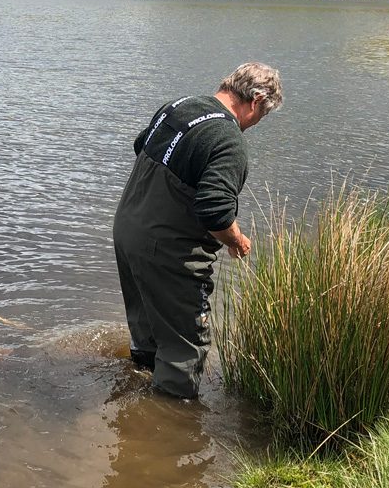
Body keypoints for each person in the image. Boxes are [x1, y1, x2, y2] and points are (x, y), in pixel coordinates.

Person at [112, 62, 283, 398]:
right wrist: (237, 240)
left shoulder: (180, 105)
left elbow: (140, 144)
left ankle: (137, 386)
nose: (255, 125)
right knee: (186, 346)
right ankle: (166, 427)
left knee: (146, 327)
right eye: (261, 116)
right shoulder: (229, 141)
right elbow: (215, 210)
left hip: (127, 228)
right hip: (167, 250)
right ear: (256, 100)